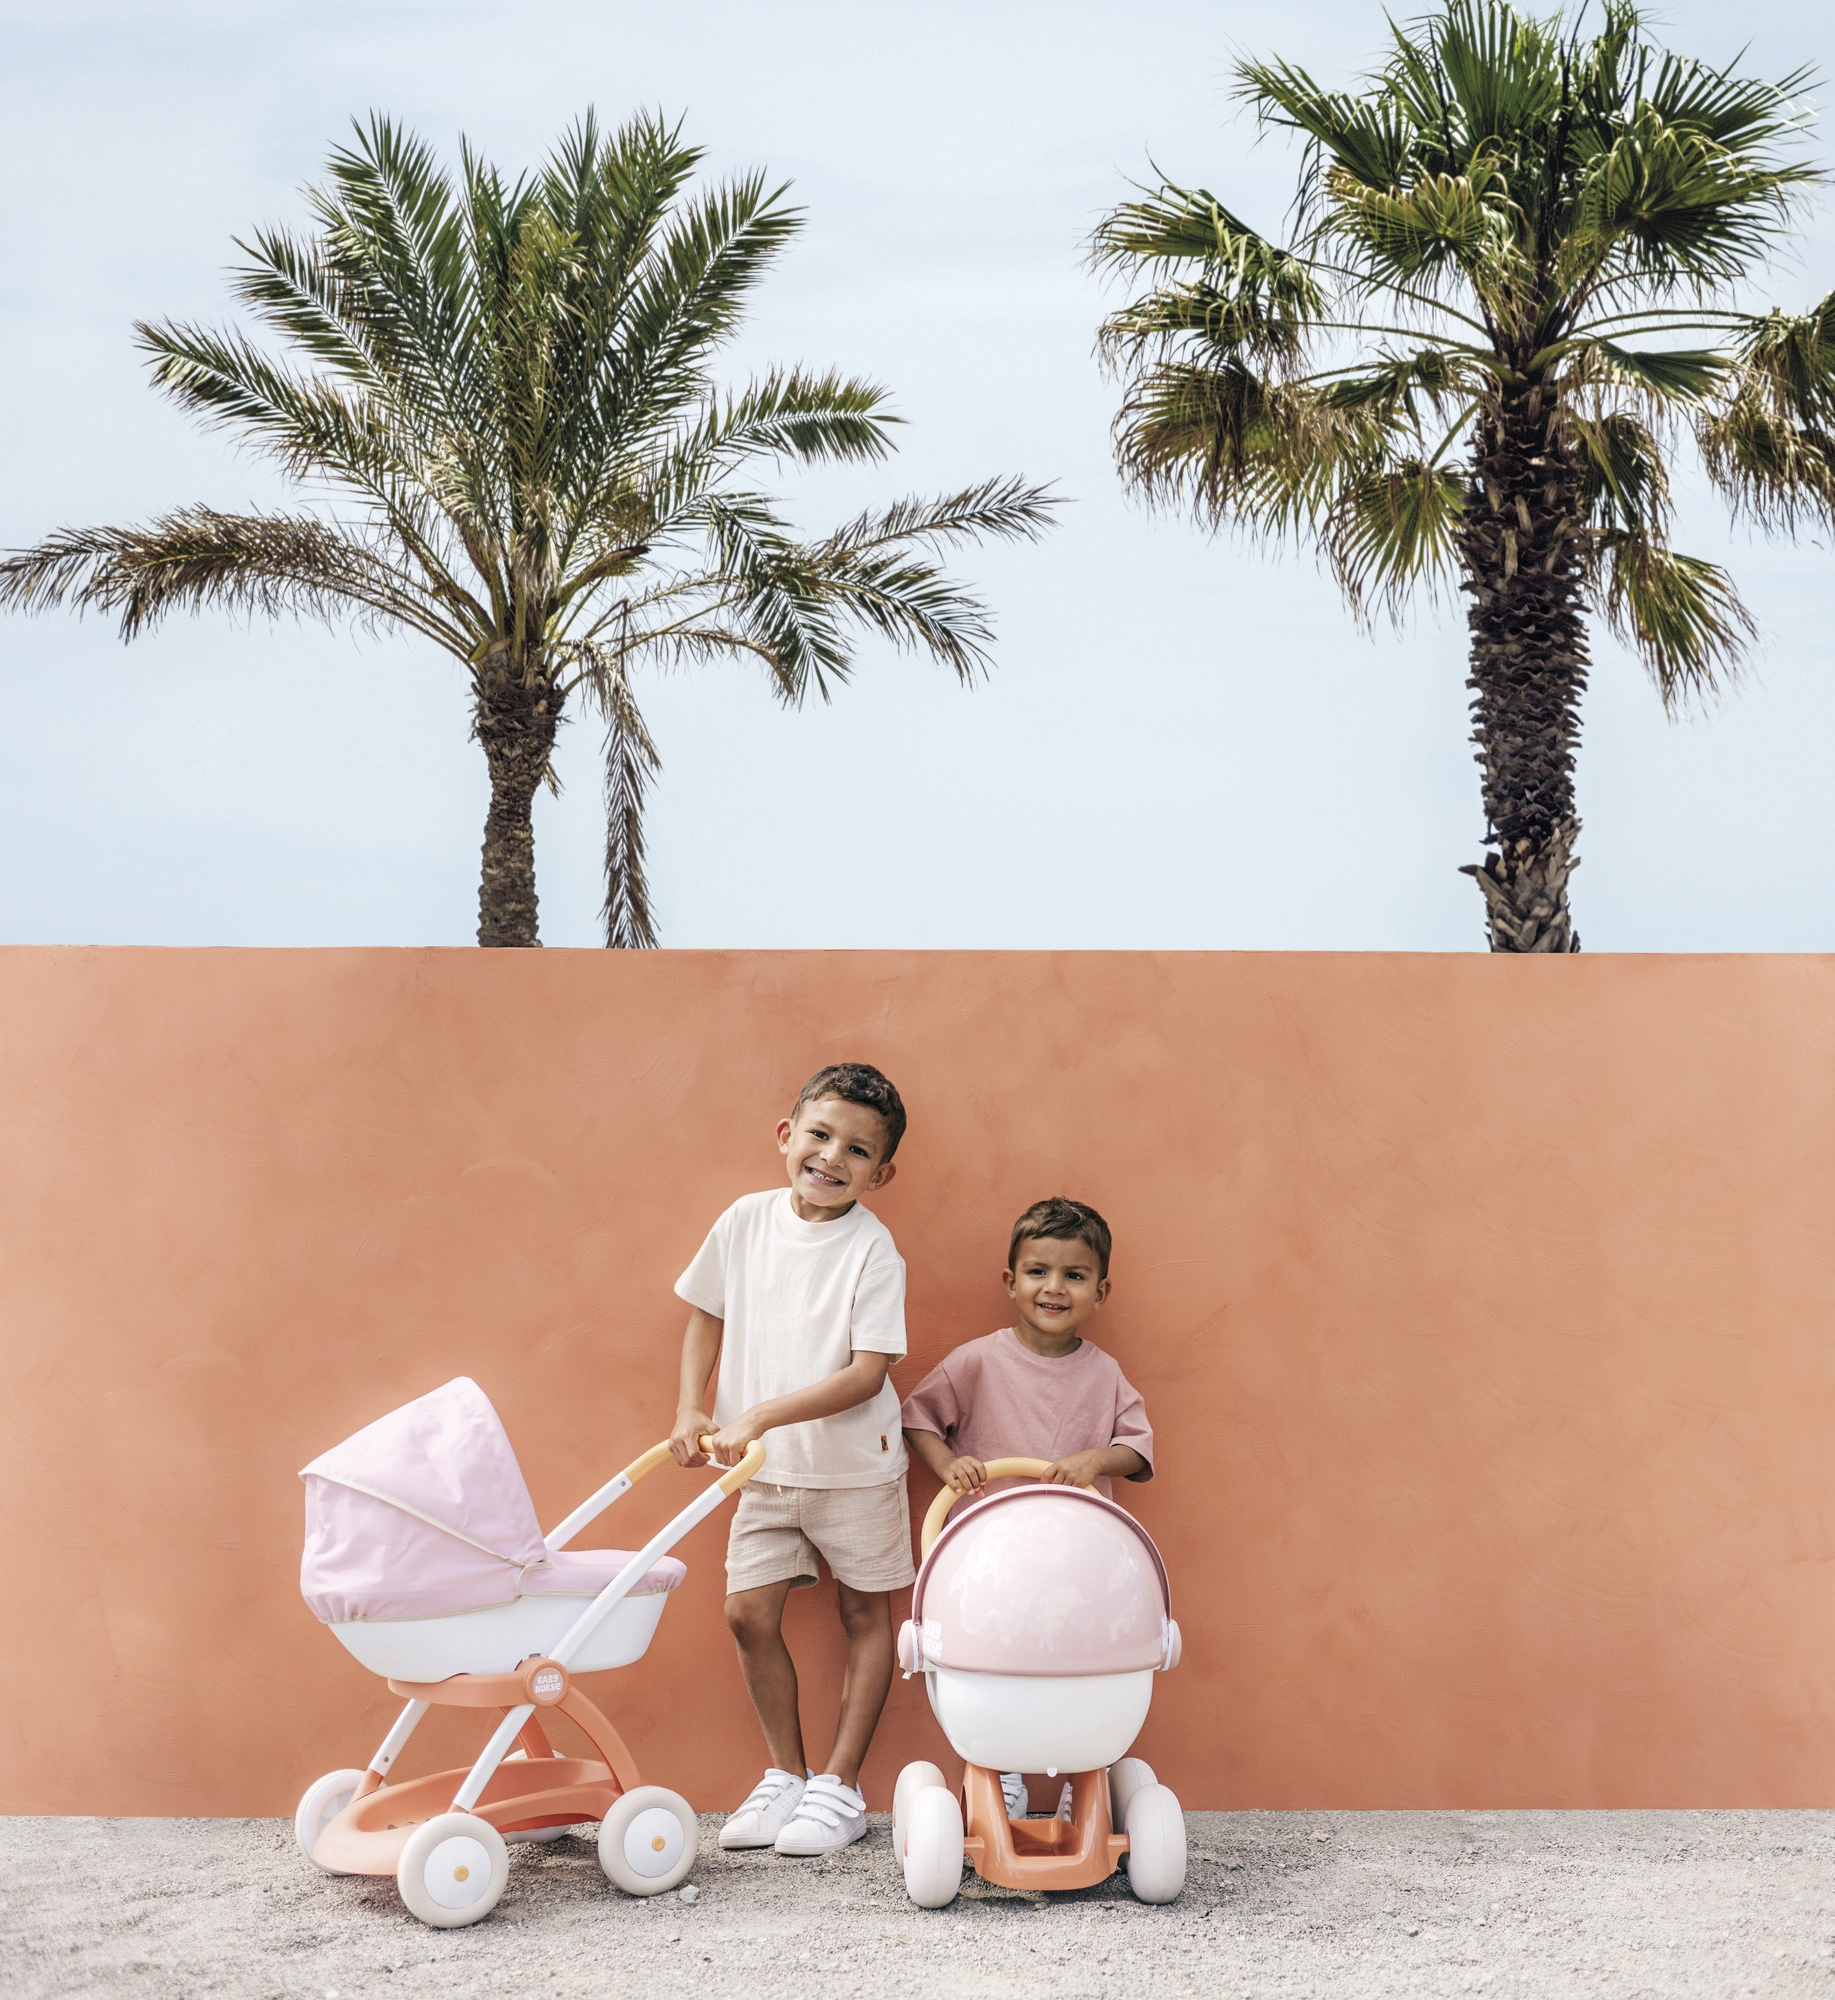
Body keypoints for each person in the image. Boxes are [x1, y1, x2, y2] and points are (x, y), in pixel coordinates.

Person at [669, 1061, 914, 1856]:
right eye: (820, 1135)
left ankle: (839, 1787)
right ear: (787, 1135)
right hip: (763, 1475)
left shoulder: (873, 1251)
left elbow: (866, 1374)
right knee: (747, 1613)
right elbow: (706, 1313)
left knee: (863, 1617)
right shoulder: (744, 1221)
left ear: (880, 1173)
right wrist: (691, 1407)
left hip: (855, 1471)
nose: (832, 1157)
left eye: (857, 1150)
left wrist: (760, 1415)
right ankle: (785, 1775)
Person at [900, 1194, 1152, 1819]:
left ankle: (1085, 1775)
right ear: (1012, 1282)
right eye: (1038, 1271)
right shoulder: (976, 1361)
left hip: (1080, 1564)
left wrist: (1095, 1460)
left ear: (1101, 1291)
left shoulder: (1106, 1374)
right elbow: (918, 1420)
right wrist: (948, 1465)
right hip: (989, 1560)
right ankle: (999, 1767)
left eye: (1075, 1275)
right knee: (996, 1662)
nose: (1054, 1287)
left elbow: (1137, 1450)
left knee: (1080, 1662)